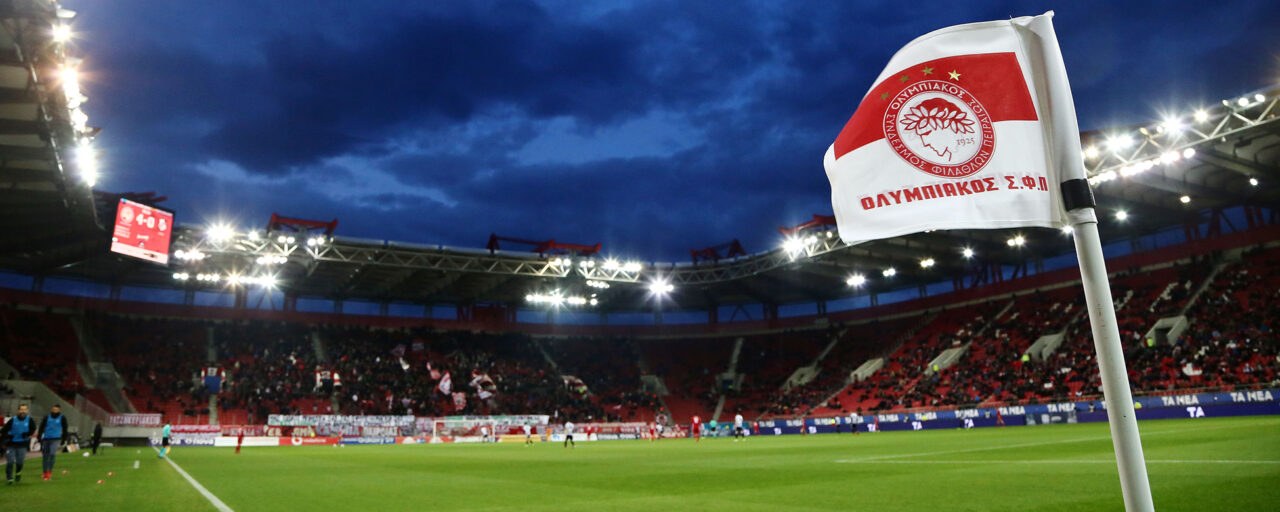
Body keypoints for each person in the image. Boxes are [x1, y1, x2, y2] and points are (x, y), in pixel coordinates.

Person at [2, 404, 36, 484]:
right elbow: (4, 430)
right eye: (21, 409)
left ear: (27, 411)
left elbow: (33, 429)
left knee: (20, 462)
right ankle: (9, 477)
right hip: (11, 444)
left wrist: (27, 434)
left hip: (22, 444)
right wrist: (7, 436)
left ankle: (18, 473)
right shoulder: (13, 420)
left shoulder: (29, 420)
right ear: (18, 410)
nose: (23, 411)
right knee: (10, 461)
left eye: (24, 409)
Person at [37, 404, 68, 481]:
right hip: (46, 438)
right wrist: (39, 436)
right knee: (45, 456)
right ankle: (45, 472)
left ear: (59, 410)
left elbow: (65, 428)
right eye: (53, 409)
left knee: (52, 454)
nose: (55, 411)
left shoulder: (62, 418)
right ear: (51, 409)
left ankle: (49, 472)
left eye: (56, 410)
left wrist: (64, 439)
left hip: (56, 439)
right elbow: (41, 427)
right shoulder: (47, 417)